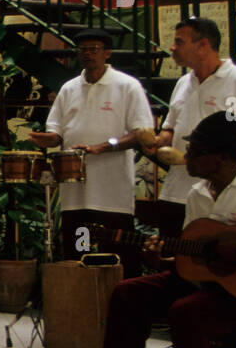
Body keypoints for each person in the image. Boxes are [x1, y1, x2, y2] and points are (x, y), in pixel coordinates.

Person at [85, 113, 236, 348]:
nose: (185, 156)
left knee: (185, 311)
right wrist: (158, 259)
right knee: (128, 293)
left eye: (195, 152)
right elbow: (193, 260)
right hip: (206, 282)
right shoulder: (197, 194)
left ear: (222, 157)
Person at [28, 30, 153, 278]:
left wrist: (103, 147)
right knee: (80, 256)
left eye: (94, 48)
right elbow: (57, 132)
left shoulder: (128, 86)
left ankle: (119, 309)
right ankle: (82, 306)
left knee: (116, 257)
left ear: (106, 53)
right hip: (76, 196)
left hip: (112, 195)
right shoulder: (69, 88)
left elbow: (141, 132)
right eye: (83, 49)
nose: (87, 54)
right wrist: (48, 138)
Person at [143, 16, 236, 237]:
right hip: (175, 192)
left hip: (220, 194)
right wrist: (159, 141)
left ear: (202, 45)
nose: (172, 48)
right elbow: (170, 129)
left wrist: (219, 156)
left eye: (179, 42)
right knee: (170, 256)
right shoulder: (183, 83)